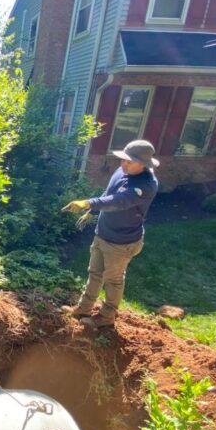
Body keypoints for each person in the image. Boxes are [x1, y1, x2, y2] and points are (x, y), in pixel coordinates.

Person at [61, 139, 159, 328]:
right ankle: (83, 308)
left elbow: (119, 201)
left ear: (143, 164)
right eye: (123, 159)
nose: (123, 164)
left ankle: (106, 317)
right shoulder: (123, 170)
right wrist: (94, 211)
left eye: (129, 161)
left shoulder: (147, 186)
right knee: (95, 273)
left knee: (113, 280)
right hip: (103, 233)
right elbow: (109, 192)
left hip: (122, 242)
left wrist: (89, 203)